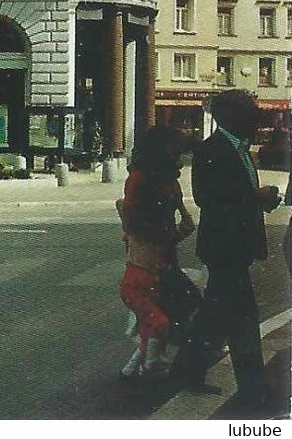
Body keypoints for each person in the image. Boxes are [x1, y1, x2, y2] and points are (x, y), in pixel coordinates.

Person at [170, 91, 282, 405]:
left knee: (215, 315)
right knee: (243, 318)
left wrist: (259, 201)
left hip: (236, 246)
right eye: (251, 112)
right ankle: (253, 389)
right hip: (224, 248)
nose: (257, 117)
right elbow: (208, 198)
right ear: (228, 116)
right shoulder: (211, 150)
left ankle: (186, 371)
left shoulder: (241, 149)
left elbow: (235, 195)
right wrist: (254, 199)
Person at [115, 125, 196, 377]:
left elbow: (179, 210)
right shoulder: (141, 178)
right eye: (175, 144)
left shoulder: (168, 178)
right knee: (163, 307)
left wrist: (181, 227)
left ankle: (142, 363)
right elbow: (129, 215)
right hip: (150, 250)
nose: (180, 151)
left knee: (169, 305)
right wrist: (166, 235)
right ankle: (148, 362)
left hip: (164, 248)